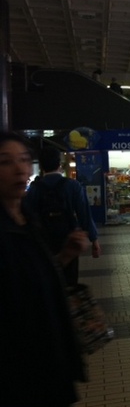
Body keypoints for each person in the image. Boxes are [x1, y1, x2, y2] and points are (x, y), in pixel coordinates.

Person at [0, 131, 89, 406]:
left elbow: (36, 279)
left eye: (24, 159)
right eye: (6, 161)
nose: (19, 168)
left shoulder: (28, 218)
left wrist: (64, 256)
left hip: (48, 353)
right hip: (18, 367)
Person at [26, 146, 101, 287]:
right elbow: (84, 214)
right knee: (70, 281)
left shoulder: (35, 188)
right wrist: (94, 240)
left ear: (41, 166)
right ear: (59, 164)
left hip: (44, 242)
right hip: (70, 240)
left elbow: (27, 217)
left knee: (48, 278)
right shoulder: (73, 186)